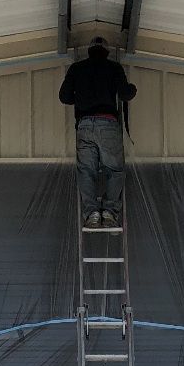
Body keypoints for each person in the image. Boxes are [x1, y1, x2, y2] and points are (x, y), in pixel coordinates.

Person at [59, 37, 137, 228]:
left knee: (86, 171)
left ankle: (92, 213)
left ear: (90, 51)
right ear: (106, 52)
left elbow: (64, 97)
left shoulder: (77, 68)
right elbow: (126, 94)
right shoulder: (114, 67)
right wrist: (132, 89)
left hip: (84, 126)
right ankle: (109, 213)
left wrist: (81, 97)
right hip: (108, 123)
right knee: (114, 170)